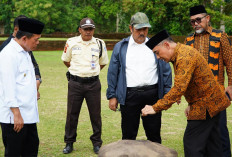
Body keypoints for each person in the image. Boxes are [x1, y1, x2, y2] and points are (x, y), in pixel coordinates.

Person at [142, 29, 231, 157]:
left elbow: (179, 88)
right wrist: (190, 103)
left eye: (157, 52)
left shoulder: (184, 56)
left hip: (206, 105)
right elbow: (192, 82)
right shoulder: (180, 53)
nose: (158, 57)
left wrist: (155, 108)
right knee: (213, 146)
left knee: (192, 145)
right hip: (211, 103)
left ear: (167, 45)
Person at [106, 12, 172, 143]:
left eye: (145, 29)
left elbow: (166, 71)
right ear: (131, 28)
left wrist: (167, 94)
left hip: (152, 95)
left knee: (154, 135)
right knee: (128, 136)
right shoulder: (121, 47)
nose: (142, 32)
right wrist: (112, 96)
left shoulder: (156, 45)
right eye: (138, 29)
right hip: (129, 96)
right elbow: (113, 72)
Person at [184, 5, 232, 157]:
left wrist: (231, 85)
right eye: (192, 21)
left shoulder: (220, 36)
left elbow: (230, 63)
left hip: (217, 95)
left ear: (207, 18)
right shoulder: (189, 40)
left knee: (219, 131)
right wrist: (189, 102)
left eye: (198, 20)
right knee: (198, 131)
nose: (196, 24)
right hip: (197, 97)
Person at [61, 17, 108, 154]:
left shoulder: (99, 43)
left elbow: (103, 62)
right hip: (75, 83)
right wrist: (78, 72)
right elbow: (66, 60)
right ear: (80, 29)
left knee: (95, 115)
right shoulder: (71, 42)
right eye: (86, 29)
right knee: (71, 114)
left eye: (91, 29)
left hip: (93, 83)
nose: (88, 32)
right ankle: (69, 142)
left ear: (94, 29)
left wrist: (91, 72)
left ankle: (97, 143)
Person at [0, 18, 44, 156]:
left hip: (28, 115)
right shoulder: (8, 55)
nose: (37, 43)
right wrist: (16, 114)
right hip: (15, 117)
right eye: (36, 40)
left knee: (31, 148)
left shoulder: (25, 52)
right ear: (24, 38)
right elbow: (8, 86)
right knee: (14, 152)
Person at [0, 15, 42, 100]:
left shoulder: (25, 45)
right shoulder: (6, 50)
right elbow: (7, 83)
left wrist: (37, 80)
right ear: (16, 29)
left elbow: (34, 64)